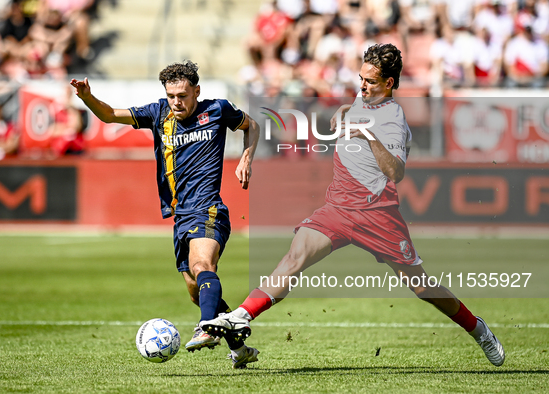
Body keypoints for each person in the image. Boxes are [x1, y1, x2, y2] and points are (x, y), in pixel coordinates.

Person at [200, 44, 506, 368]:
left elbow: (396, 172)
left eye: (370, 81)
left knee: (422, 287)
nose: (362, 85)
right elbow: (360, 106)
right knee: (294, 258)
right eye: (361, 78)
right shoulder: (363, 96)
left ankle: (478, 329)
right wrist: (347, 109)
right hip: (338, 208)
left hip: (377, 214)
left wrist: (365, 136)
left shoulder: (394, 120)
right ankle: (241, 316)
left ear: (389, 83)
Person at [70, 60, 261, 368]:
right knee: (195, 291)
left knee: (202, 264)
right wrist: (86, 97)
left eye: (183, 96)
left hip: (208, 206)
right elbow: (108, 115)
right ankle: (239, 346)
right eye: (171, 95)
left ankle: (206, 327)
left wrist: (247, 159)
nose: (176, 102)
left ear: (196, 91)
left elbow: (253, 125)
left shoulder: (218, 110)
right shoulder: (158, 113)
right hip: (180, 214)